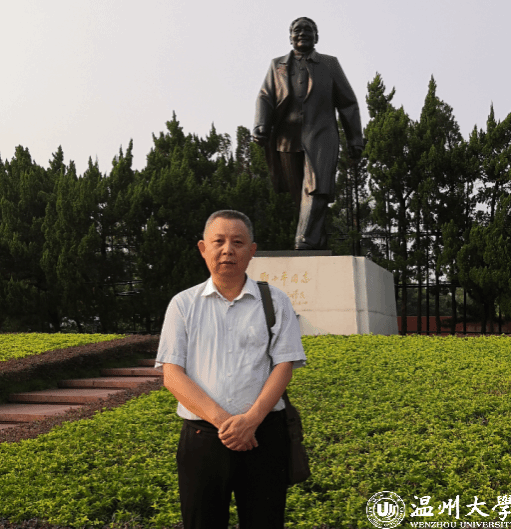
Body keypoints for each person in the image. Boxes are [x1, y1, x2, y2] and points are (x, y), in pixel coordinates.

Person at [155, 210, 307, 529]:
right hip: (202, 437)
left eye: (238, 242)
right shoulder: (183, 304)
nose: (228, 250)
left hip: (264, 435)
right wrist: (228, 424)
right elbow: (172, 375)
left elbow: (284, 366)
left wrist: (250, 421)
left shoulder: (276, 302)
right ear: (203, 249)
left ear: (252, 251)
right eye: (219, 241)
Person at [253, 17, 364, 250]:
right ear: (290, 37)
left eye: (308, 30)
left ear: (317, 37)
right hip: (287, 138)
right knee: (299, 194)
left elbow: (347, 103)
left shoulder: (329, 64)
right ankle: (317, 239)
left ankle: (303, 240)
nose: (302, 33)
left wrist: (355, 138)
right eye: (297, 30)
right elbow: (265, 96)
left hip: (321, 135)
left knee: (317, 186)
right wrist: (261, 124)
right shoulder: (277, 65)